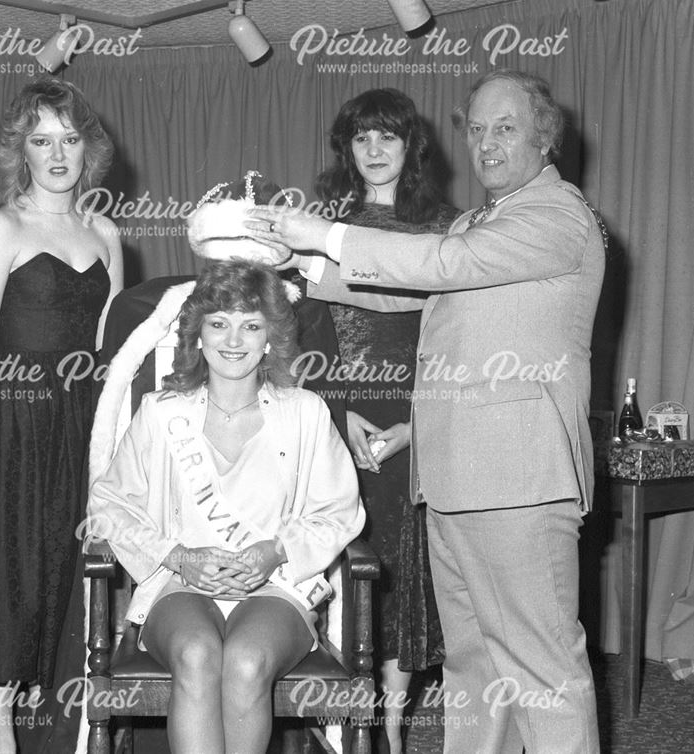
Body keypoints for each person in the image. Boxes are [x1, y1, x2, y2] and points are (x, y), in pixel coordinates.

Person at [249, 70, 604, 753]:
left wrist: (329, 235)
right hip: (450, 482)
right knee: (474, 672)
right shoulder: (480, 223)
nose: (487, 143)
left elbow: (443, 262)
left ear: (544, 137)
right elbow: (409, 291)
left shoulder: (559, 215)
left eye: (505, 127)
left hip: (518, 483)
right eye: (476, 129)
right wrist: (304, 264)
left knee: (542, 671)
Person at [87, 260, 365, 754]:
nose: (233, 339)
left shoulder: (305, 412)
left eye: (251, 325)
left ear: (270, 338)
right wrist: (177, 556)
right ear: (197, 335)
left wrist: (275, 552)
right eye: (219, 323)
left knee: (246, 660)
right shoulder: (161, 412)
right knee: (196, 654)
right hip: (179, 583)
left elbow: (341, 511)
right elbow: (106, 505)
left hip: (277, 586)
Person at [0, 78, 122, 753]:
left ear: (88, 148)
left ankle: (68, 724)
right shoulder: (2, 226)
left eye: (69, 138)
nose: (57, 154)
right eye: (41, 140)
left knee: (75, 563)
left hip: (90, 421)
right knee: (16, 567)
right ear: (19, 151)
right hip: (18, 422)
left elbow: (119, 347)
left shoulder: (107, 231)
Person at [304, 88, 456, 754]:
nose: (373, 150)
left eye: (387, 137)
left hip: (419, 418)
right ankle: (343, 717)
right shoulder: (322, 225)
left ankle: (391, 724)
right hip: (342, 416)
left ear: (409, 146)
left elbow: (459, 343)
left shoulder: (445, 228)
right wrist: (343, 412)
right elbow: (303, 339)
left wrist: (419, 426)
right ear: (347, 148)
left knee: (405, 572)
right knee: (346, 570)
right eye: (361, 137)